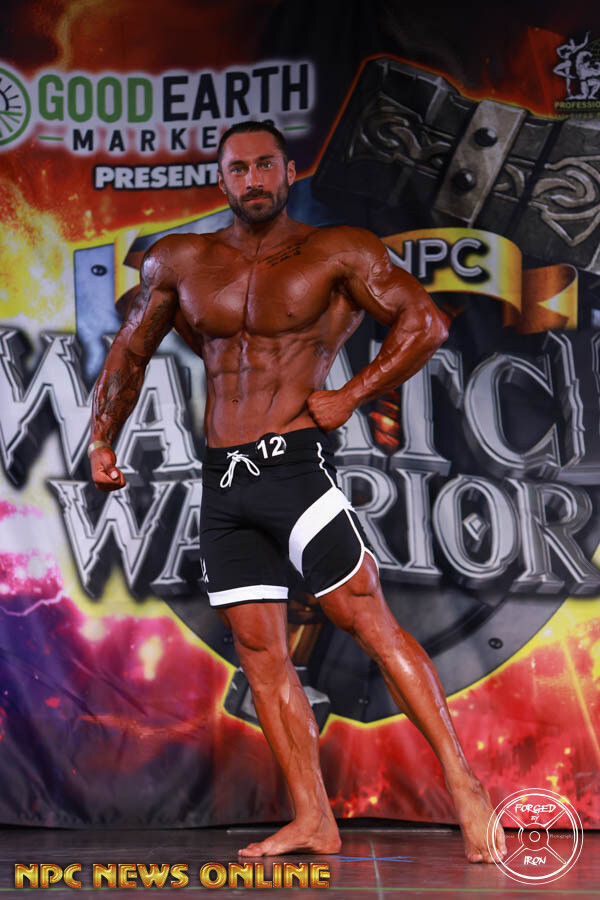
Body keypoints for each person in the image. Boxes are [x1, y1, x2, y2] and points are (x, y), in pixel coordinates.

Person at [89, 120, 507, 864]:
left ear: (287, 173)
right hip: (224, 483)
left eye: (264, 166)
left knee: (369, 623)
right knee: (261, 654)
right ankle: (313, 818)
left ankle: (465, 786)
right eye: (237, 169)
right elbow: (129, 351)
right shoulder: (180, 260)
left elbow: (424, 324)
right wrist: (101, 439)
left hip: (295, 471)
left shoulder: (336, 250)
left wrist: (352, 394)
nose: (251, 180)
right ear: (222, 179)